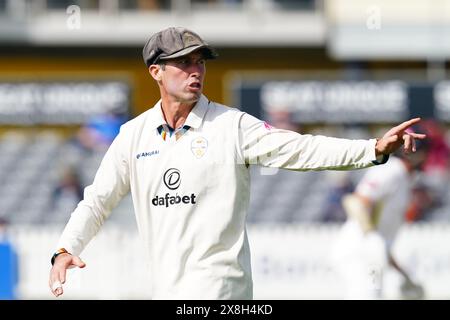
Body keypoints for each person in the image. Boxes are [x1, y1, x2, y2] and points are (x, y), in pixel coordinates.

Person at [48, 27, 426, 299]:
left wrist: (373, 148)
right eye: (182, 63)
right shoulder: (133, 135)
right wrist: (66, 249)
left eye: (200, 62)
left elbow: (302, 150)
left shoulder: (232, 125)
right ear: (156, 72)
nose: (195, 70)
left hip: (221, 289)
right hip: (165, 289)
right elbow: (97, 200)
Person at [332, 137, 429, 299]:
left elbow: (382, 245)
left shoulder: (404, 179)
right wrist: (370, 236)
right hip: (358, 252)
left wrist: (405, 276)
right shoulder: (392, 170)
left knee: (374, 294)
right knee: (366, 295)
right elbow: (355, 202)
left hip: (373, 260)